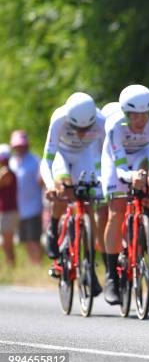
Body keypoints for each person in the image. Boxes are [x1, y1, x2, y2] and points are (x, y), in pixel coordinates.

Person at [100, 84, 149, 305]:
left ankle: (148, 217)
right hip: (116, 162)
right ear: (125, 113)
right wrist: (131, 178)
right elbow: (119, 168)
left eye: (145, 114)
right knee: (116, 211)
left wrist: (147, 175)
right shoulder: (114, 125)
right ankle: (111, 276)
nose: (140, 120)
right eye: (134, 115)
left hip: (141, 155)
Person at [40, 92, 106, 295]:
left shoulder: (102, 121)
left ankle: (89, 266)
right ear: (70, 120)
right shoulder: (59, 119)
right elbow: (47, 160)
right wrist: (51, 185)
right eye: (78, 128)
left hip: (84, 157)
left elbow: (107, 156)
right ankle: (54, 225)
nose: (82, 133)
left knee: (87, 205)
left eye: (87, 128)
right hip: (61, 154)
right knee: (64, 188)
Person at [9, 130, 44, 264]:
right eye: (17, 145)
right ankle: (32, 265)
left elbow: (41, 182)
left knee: (33, 240)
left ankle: (37, 265)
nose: (20, 148)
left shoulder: (35, 160)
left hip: (33, 207)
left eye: (22, 145)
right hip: (17, 209)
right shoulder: (12, 161)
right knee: (24, 240)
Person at [0, 144, 18, 267]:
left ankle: (11, 266)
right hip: (6, 211)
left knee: (7, 242)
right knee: (5, 242)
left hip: (8, 211)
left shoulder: (7, 172)